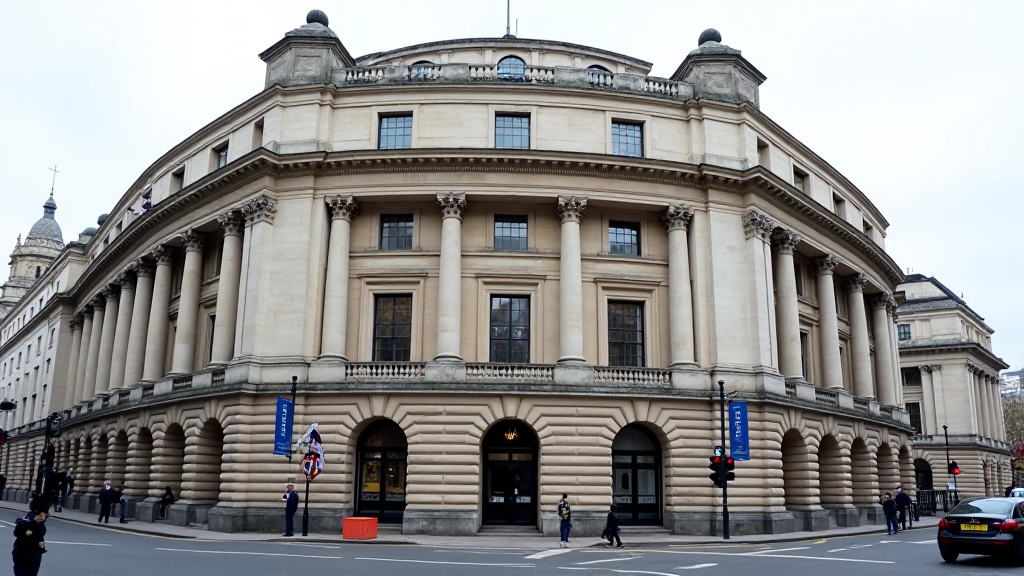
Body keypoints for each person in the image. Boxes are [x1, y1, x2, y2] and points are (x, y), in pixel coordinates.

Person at [12, 507, 48, 576]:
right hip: (20, 553)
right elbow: (16, 533)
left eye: (43, 516)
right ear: (35, 515)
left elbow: (38, 537)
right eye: (40, 516)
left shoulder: (42, 527)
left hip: (34, 556)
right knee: (20, 572)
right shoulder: (23, 524)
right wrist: (25, 533)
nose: (42, 518)